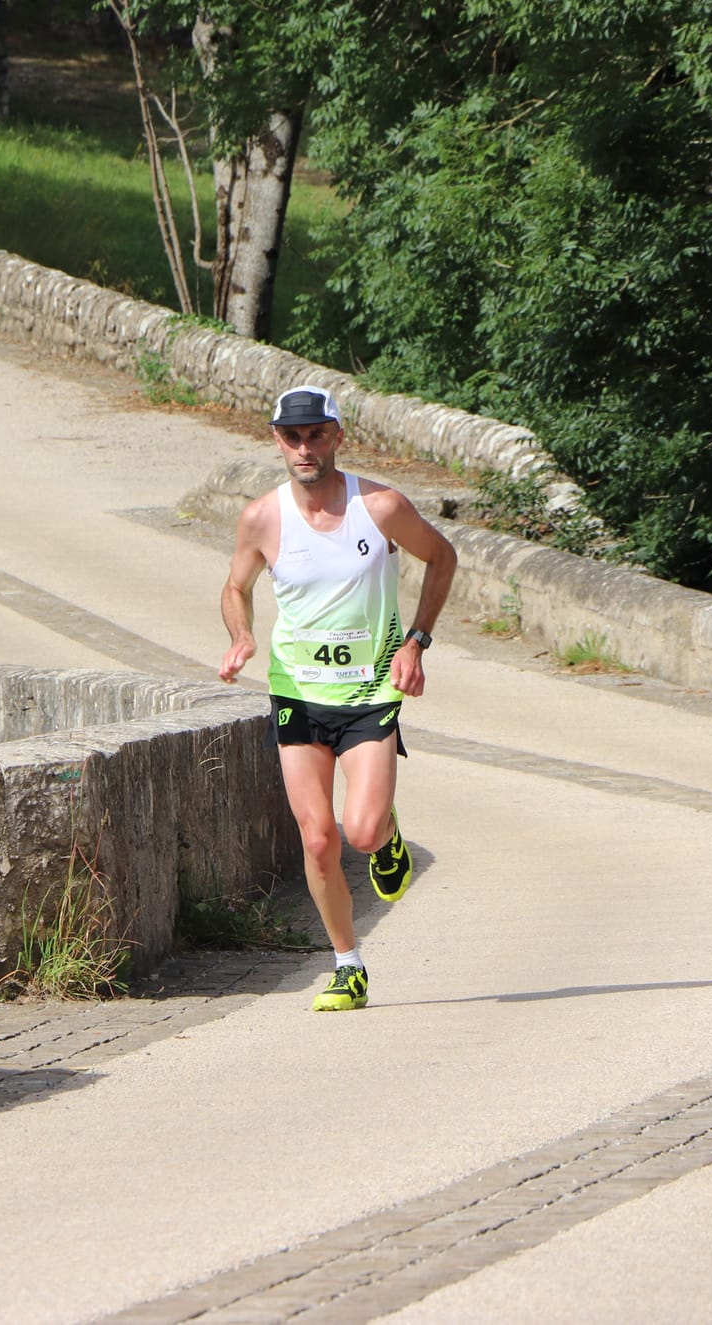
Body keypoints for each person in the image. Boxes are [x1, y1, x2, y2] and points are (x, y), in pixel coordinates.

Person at [218, 385, 458, 1012]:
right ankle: (348, 965)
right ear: (277, 439)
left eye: (317, 435)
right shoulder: (262, 518)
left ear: (337, 436)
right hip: (297, 692)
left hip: (371, 688)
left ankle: (386, 837)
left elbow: (442, 557)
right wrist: (241, 634)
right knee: (318, 838)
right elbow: (235, 585)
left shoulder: (379, 508)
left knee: (362, 829)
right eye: (293, 437)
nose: (305, 448)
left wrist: (416, 642)